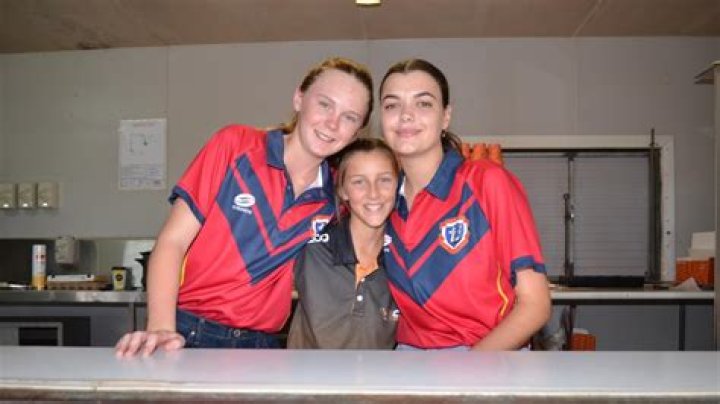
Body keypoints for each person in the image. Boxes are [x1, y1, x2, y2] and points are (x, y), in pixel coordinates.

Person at [115, 56, 374, 357]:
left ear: (357, 132)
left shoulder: (336, 197)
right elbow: (173, 241)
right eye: (325, 104)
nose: (332, 123)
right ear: (299, 98)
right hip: (190, 331)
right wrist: (161, 327)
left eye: (349, 117)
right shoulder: (235, 146)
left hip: (262, 346)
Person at [378, 59, 551, 351]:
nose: (406, 115)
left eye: (423, 103)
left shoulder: (487, 182)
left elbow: (535, 305)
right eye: (392, 105)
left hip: (489, 355)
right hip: (409, 359)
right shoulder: (381, 201)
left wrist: (471, 368)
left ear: (446, 117)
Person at [287, 138, 399, 349]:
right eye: (359, 182)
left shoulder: (405, 259)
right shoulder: (310, 246)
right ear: (342, 190)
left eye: (384, 180)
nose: (373, 193)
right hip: (304, 371)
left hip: (378, 372)